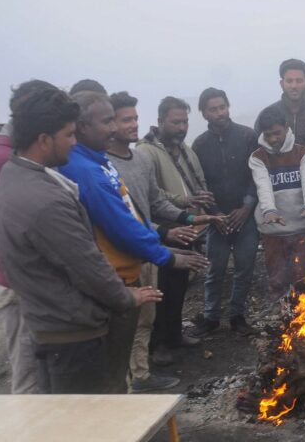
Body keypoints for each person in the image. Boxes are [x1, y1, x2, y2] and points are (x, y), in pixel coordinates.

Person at [0, 88, 162, 394]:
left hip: (46, 323)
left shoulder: (12, 176)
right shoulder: (45, 199)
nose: (74, 142)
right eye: (69, 135)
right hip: (71, 331)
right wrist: (127, 297)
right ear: (44, 139)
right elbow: (86, 264)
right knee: (92, 416)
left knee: (66, 415)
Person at [59, 92, 208, 393]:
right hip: (113, 275)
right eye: (110, 121)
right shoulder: (87, 171)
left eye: (128, 119)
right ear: (82, 126)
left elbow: (139, 209)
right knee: (109, 369)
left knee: (141, 324)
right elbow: (121, 225)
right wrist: (164, 252)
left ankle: (138, 378)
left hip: (138, 258)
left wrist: (178, 226)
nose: (116, 128)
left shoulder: (104, 163)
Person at [107, 91, 219, 391]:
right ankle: (137, 375)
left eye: (134, 118)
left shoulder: (140, 158)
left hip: (154, 242)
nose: (132, 124)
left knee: (155, 305)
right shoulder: (105, 166)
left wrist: (192, 219)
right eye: (124, 119)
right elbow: (124, 216)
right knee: (132, 317)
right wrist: (165, 233)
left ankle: (143, 372)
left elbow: (153, 201)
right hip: (131, 249)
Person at [0, 79, 56, 394]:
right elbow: (7, 228)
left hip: (31, 282)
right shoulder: (1, 160)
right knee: (28, 377)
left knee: (44, 369)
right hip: (19, 286)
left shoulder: (14, 153)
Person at [137, 97, 213, 362]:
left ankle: (174, 334)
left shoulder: (186, 149)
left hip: (187, 226)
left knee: (180, 285)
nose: (182, 127)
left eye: (185, 122)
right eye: (176, 122)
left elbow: (198, 180)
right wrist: (185, 204)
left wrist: (201, 209)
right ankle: (157, 345)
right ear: (160, 122)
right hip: (162, 230)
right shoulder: (146, 152)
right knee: (160, 288)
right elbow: (152, 195)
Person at [191, 88, 260, 337]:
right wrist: (214, 214)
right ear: (204, 113)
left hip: (246, 216)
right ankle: (211, 317)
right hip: (215, 219)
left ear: (228, 107)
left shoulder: (247, 136)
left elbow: (257, 175)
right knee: (214, 269)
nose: (219, 113)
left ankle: (237, 316)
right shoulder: (199, 145)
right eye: (213, 109)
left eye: (222, 107)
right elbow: (199, 184)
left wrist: (247, 207)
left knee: (244, 267)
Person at [249, 111, 305, 301]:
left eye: (277, 133)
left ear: (287, 129)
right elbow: (263, 186)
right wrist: (269, 211)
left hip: (302, 226)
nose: (273, 139)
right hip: (273, 230)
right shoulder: (257, 157)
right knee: (277, 280)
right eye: (268, 134)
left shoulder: (303, 153)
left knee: (303, 279)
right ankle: (280, 322)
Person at [255, 59, 305, 154]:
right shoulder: (266, 115)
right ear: (282, 84)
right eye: (289, 81)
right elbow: (258, 150)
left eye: (299, 81)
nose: (294, 86)